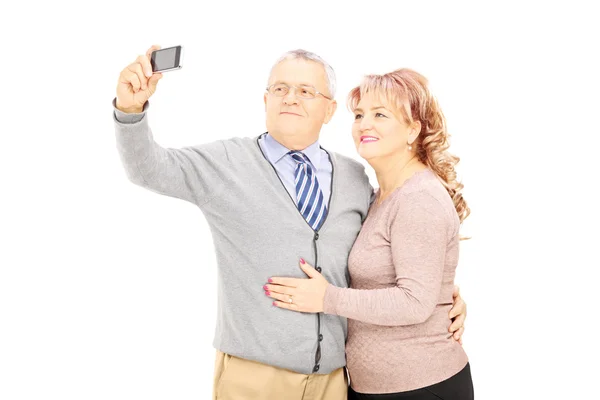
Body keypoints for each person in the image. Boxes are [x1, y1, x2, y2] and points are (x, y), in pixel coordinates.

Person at [112, 45, 468, 400]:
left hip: (336, 381)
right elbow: (148, 169)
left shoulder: (355, 178)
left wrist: (439, 294)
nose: (291, 99)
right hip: (254, 379)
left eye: (306, 91)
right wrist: (130, 110)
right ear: (265, 100)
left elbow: (398, 250)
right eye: (280, 89)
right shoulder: (225, 163)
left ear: (329, 110)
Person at [263, 68, 474, 399]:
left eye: (380, 114)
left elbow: (415, 302)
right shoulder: (381, 195)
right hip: (374, 389)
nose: (364, 124)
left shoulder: (418, 197)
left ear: (412, 130)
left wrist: (327, 298)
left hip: (421, 387)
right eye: (359, 114)